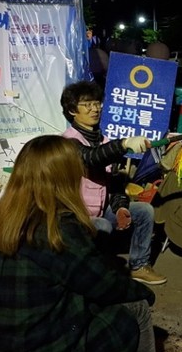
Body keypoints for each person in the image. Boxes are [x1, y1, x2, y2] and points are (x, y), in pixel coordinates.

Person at [0, 135, 182, 352]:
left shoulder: (3, 217)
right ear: (64, 177)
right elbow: (106, 286)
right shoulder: (59, 228)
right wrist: (144, 292)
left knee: (76, 300)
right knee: (137, 308)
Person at [60, 80, 167, 285]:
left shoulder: (104, 141)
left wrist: (120, 208)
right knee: (102, 226)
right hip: (74, 215)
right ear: (73, 110)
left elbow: (115, 182)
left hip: (100, 209)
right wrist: (125, 143)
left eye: (97, 103)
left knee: (144, 211)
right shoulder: (67, 142)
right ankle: (94, 276)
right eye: (87, 105)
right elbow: (91, 158)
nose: (95, 109)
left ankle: (139, 266)